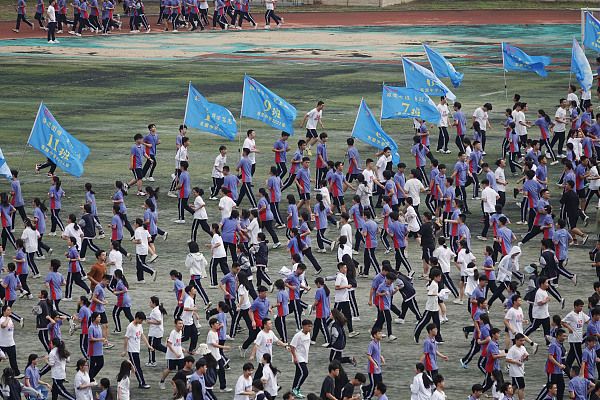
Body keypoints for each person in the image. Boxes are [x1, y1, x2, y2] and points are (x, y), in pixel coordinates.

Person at [122, 311, 152, 389]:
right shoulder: (130, 327)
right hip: (132, 350)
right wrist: (125, 350)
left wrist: (148, 345)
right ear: (137, 318)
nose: (142, 322)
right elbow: (126, 338)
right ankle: (142, 383)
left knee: (130, 366)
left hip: (137, 349)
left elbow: (142, 335)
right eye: (141, 320)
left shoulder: (139, 325)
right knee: (137, 367)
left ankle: (122, 379)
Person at [159, 318, 185, 390]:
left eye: (182, 323)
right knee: (169, 369)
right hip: (172, 356)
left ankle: (179, 384)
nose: (181, 325)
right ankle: (162, 381)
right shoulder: (173, 333)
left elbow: (177, 343)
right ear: (175, 324)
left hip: (180, 355)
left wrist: (181, 348)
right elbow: (169, 344)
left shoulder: (180, 332)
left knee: (181, 370)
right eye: (179, 323)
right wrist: (175, 353)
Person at [289, 319, 312, 399]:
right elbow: (292, 346)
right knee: (305, 373)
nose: (310, 328)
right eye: (308, 326)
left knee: (298, 374)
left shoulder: (308, 334)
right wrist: (295, 357)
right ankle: (296, 389)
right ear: (304, 326)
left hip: (304, 357)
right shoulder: (298, 335)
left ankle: (293, 390)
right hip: (298, 357)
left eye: (311, 326)